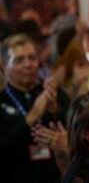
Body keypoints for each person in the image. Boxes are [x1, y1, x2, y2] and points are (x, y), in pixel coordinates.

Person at [0, 33, 70, 182]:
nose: (28, 64)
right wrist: (31, 117)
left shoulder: (54, 93)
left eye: (32, 58)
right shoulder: (2, 100)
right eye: (19, 60)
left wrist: (55, 111)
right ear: (4, 66)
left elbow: (76, 132)